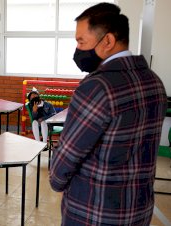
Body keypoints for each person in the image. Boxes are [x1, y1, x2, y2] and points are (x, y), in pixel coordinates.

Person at [49, 3, 167, 226]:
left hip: (94, 212)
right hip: (139, 209)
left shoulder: (97, 88)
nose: (77, 48)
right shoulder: (154, 82)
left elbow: (67, 157)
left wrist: (55, 180)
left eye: (81, 41)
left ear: (108, 41)